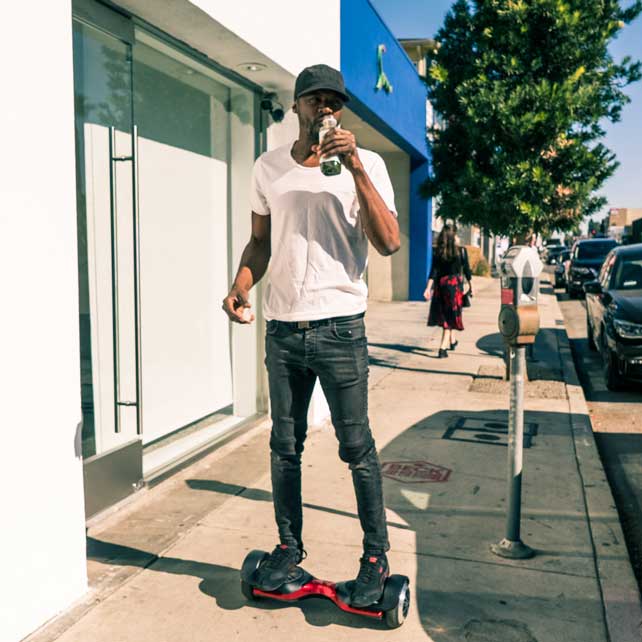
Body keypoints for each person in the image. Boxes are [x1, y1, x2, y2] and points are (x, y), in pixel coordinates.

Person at [222, 64, 400, 607]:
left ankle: (374, 559)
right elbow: (260, 242)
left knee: (357, 447)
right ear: (297, 105)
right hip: (283, 330)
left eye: (335, 102)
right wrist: (240, 285)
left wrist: (354, 170)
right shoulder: (269, 167)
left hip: (341, 329)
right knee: (284, 446)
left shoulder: (364, 163)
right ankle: (288, 548)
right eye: (316, 100)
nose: (326, 108)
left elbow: (389, 241)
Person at [423, 224, 472, 357]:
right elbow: (467, 270)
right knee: (450, 317)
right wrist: (471, 286)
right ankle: (442, 348)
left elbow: (433, 271)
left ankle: (452, 340)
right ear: (453, 237)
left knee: (446, 314)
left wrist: (428, 288)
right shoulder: (461, 251)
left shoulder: (438, 252)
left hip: (441, 287)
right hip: (455, 287)